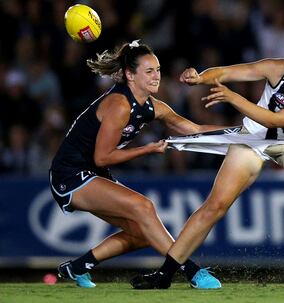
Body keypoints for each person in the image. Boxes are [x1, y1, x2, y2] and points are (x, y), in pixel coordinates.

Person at [130, 34, 284, 290]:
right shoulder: (279, 68)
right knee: (216, 205)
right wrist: (201, 76)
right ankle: (165, 275)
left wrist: (233, 98)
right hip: (252, 139)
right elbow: (227, 72)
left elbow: (275, 121)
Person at [49, 40, 222, 289]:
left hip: (93, 172)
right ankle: (191, 271)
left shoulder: (153, 106)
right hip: (70, 174)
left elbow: (194, 130)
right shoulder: (118, 105)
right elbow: (102, 157)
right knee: (144, 207)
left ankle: (77, 267)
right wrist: (148, 149)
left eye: (159, 70)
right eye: (149, 71)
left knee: (143, 233)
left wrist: (244, 131)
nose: (156, 76)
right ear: (130, 75)